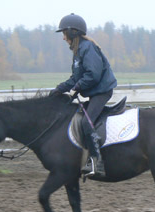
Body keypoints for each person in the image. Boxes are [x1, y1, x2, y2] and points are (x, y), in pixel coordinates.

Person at [50, 13, 117, 177]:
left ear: (72, 32)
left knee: (87, 123)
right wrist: (60, 89)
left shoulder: (88, 48)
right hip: (95, 91)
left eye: (64, 34)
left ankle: (97, 162)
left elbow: (92, 75)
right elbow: (76, 77)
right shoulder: (78, 51)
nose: (63, 38)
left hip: (102, 91)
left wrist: (75, 89)